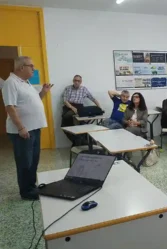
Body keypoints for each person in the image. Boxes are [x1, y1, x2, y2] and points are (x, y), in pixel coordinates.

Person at [2, 56, 52, 200]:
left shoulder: (26, 83)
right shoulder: (11, 83)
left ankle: (31, 186)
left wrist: (43, 92)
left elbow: (32, 101)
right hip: (23, 131)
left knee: (33, 160)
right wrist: (21, 127)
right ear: (21, 67)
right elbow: (10, 107)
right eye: (31, 66)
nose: (33, 68)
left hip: (34, 128)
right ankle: (26, 192)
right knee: (25, 161)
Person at [62, 75, 101, 142]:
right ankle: (77, 141)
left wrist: (99, 108)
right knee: (65, 126)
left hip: (79, 107)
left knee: (81, 127)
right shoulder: (67, 88)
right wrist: (72, 107)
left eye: (78, 81)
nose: (76, 82)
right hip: (69, 107)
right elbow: (65, 100)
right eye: (75, 80)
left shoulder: (84, 89)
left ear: (81, 82)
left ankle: (82, 142)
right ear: (73, 81)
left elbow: (93, 98)